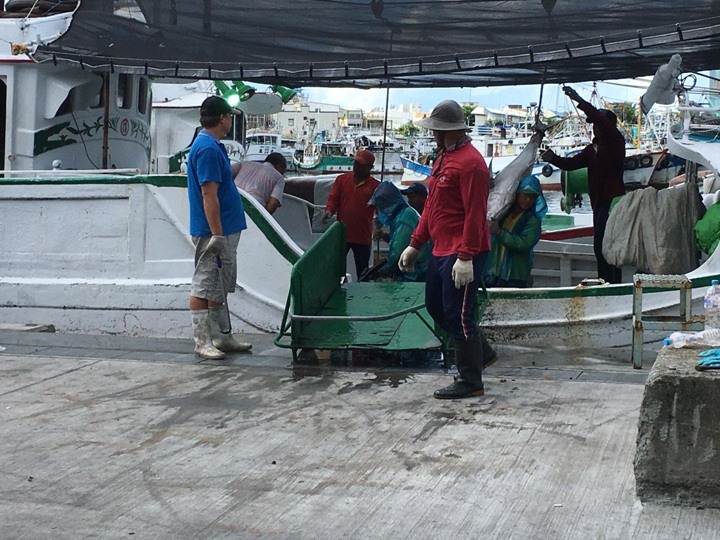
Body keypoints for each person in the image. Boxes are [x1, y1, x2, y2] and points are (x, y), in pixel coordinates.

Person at [399, 99, 493, 400]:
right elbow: (432, 207)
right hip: (441, 249)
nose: (434, 136)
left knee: (457, 313)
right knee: (436, 307)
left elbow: (476, 213)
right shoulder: (442, 159)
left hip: (462, 251)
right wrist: (416, 243)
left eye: (437, 131)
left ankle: (470, 380)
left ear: (448, 131)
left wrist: (466, 256)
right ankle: (482, 352)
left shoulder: (472, 164)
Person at [186, 96, 252, 359]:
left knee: (217, 284)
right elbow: (208, 194)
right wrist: (216, 233)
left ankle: (221, 337)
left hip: (223, 228)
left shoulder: (211, 146)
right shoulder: (209, 149)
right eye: (229, 116)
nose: (230, 121)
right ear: (222, 118)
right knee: (204, 283)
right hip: (214, 230)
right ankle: (202, 341)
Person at [541, 86, 625, 283]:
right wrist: (552, 158)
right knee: (599, 246)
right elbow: (571, 164)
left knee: (607, 245)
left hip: (612, 201)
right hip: (599, 203)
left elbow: (600, 119)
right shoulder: (592, 149)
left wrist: (579, 99)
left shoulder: (616, 142)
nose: (594, 127)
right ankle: (605, 281)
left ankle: (613, 282)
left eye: (597, 124)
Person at [322, 149, 380, 279]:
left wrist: (379, 223)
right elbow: (333, 198)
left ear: (370, 167)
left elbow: (380, 209)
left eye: (361, 164)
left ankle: (362, 294)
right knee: (336, 268)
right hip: (342, 233)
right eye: (355, 163)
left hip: (363, 236)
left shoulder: (376, 186)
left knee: (363, 271)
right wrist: (329, 211)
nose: (356, 166)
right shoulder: (341, 180)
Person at [484, 175, 547, 288]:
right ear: (517, 193)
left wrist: (499, 232)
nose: (528, 200)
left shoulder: (533, 220)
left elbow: (524, 244)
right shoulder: (503, 212)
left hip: (515, 274)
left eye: (533, 197)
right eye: (525, 195)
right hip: (493, 270)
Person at [368, 181, 430, 282]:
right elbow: (401, 241)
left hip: (415, 274)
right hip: (413, 271)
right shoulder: (401, 216)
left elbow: (397, 251)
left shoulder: (405, 217)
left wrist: (383, 271)